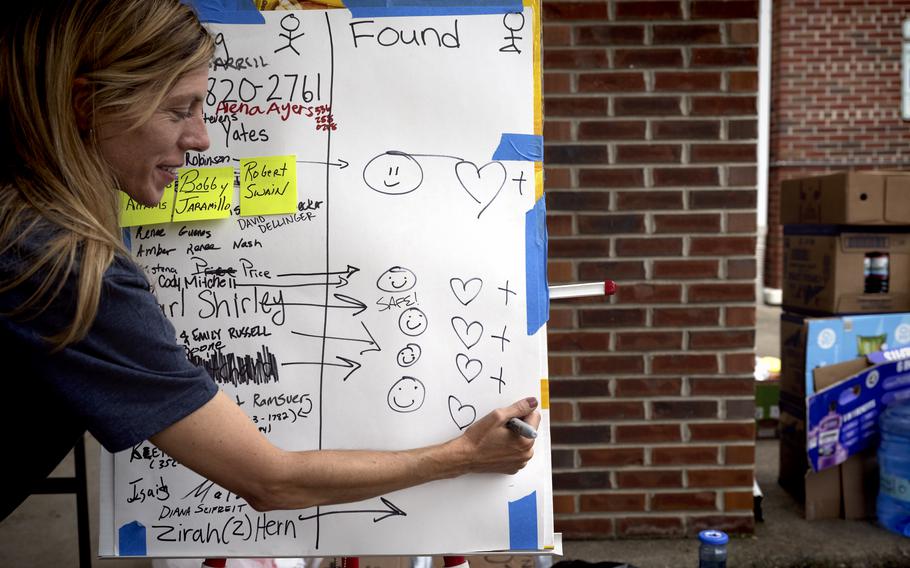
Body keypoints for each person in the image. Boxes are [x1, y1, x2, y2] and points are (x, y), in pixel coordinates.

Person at [0, 0, 539, 521]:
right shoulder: (59, 262)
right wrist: (464, 455)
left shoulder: (22, 221)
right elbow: (270, 480)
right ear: (83, 105)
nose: (202, 139)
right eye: (178, 109)